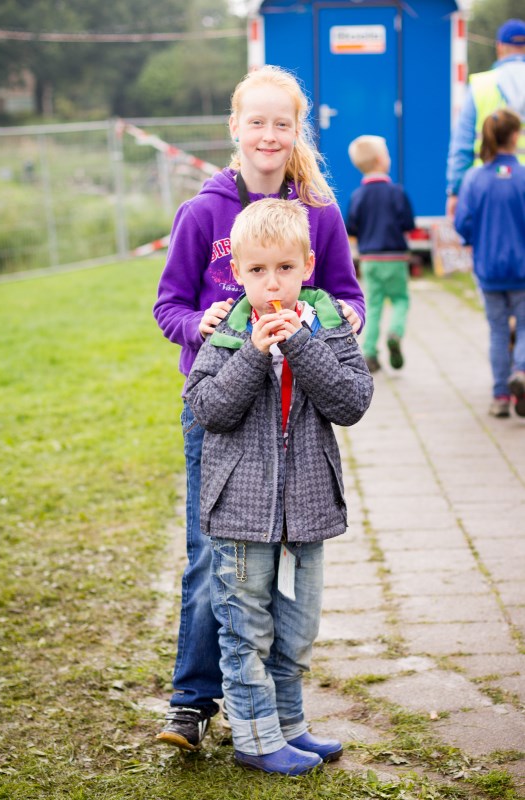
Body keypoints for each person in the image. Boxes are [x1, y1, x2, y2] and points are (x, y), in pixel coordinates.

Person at [153, 64, 366, 751]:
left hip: (295, 405)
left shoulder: (320, 212)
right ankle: (191, 703)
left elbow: (346, 291)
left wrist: (345, 327)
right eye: (256, 122)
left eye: (283, 123)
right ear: (234, 129)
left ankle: (274, 713)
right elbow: (167, 306)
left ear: (296, 130)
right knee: (206, 557)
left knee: (280, 573)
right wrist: (205, 325)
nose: (268, 135)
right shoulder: (202, 212)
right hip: (218, 400)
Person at [185, 198, 373, 775]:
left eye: (285, 269)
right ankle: (255, 736)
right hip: (240, 513)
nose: (273, 284)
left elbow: (352, 401)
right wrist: (254, 350)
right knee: (246, 630)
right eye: (259, 271)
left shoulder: (326, 325)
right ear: (238, 273)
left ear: (308, 266)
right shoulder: (227, 330)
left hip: (306, 510)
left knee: (296, 628)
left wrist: (299, 344)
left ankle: (290, 726)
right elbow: (208, 408)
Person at [454, 108, 525, 418]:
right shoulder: (522, 176)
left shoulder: (474, 178)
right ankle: (521, 371)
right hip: (522, 269)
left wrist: (476, 240)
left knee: (497, 331)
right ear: (515, 136)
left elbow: (463, 223)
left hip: (489, 269)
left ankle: (500, 396)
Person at [345, 135, 414, 374]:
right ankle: (395, 332)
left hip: (370, 259)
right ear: (380, 160)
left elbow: (351, 227)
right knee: (400, 299)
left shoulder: (357, 196)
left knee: (373, 304)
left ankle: (371, 353)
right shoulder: (397, 192)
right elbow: (408, 222)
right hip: (395, 257)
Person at [446, 17, 525, 218]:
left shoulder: (481, 86)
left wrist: (454, 191)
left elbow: (462, 144)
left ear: (499, 47)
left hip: (486, 189)